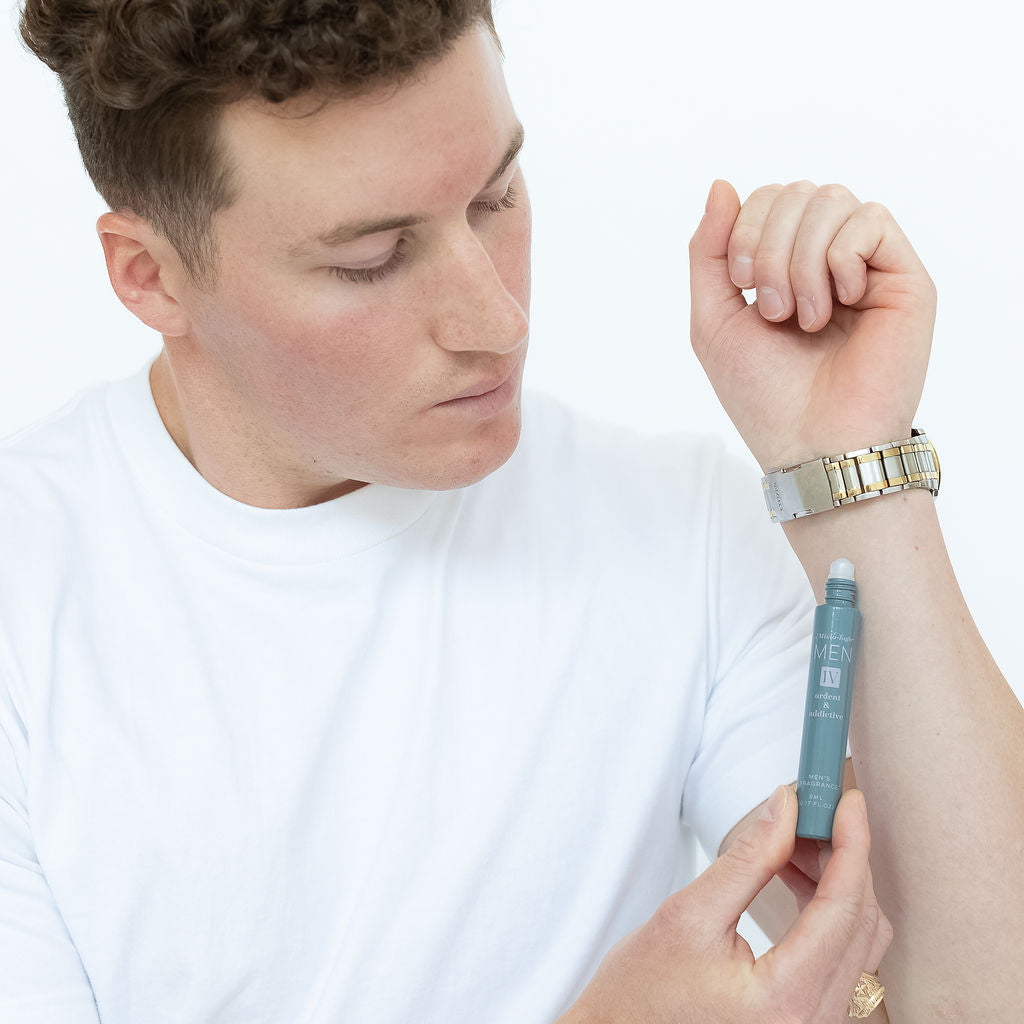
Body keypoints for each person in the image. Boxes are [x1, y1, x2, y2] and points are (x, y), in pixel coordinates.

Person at [4, 2, 1021, 1022]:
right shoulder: (29, 606)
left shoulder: (679, 532)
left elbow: (975, 997)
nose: (499, 319)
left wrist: (846, 471)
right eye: (372, 257)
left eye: (495, 196)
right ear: (149, 276)